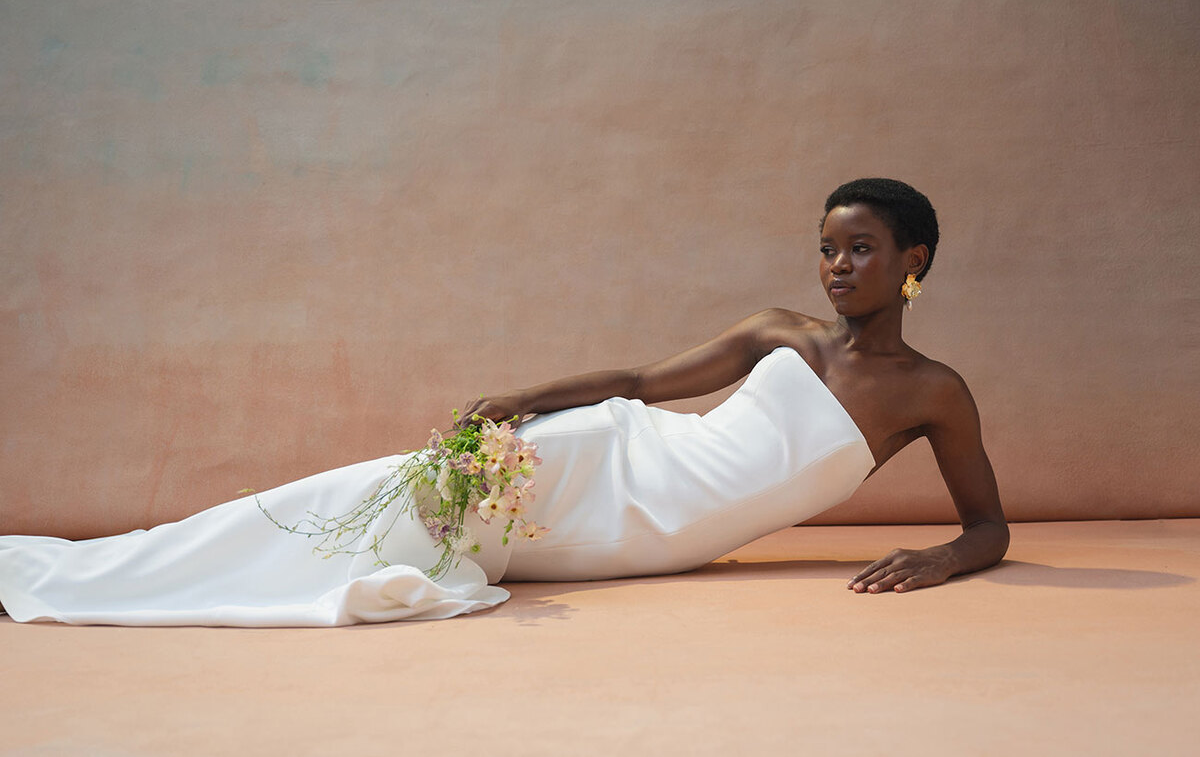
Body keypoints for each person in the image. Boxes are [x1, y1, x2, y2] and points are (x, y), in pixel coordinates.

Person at [0, 178, 1007, 626]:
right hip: (611, 453)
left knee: (414, 543)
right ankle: (105, 572)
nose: (837, 266)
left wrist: (945, 558)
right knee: (373, 495)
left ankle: (126, 575)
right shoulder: (780, 330)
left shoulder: (934, 393)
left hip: (652, 532)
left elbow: (989, 524)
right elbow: (641, 384)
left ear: (912, 260)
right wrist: (520, 400)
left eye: (861, 248)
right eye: (828, 247)